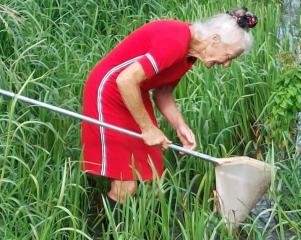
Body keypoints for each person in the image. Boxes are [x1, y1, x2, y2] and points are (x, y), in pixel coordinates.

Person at [81, 6, 258, 221]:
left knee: (152, 173)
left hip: (133, 92)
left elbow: (163, 92)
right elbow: (125, 80)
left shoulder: (189, 55)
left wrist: (180, 126)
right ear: (214, 40)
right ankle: (102, 228)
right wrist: (148, 128)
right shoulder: (176, 41)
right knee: (126, 182)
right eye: (229, 56)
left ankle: (135, 224)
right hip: (109, 92)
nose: (227, 64)